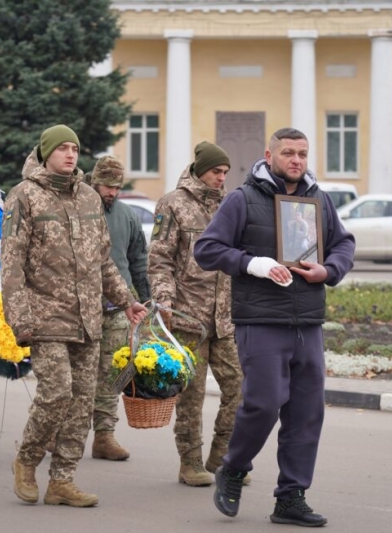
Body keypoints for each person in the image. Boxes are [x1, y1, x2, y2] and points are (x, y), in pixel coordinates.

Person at [194, 128, 355, 526]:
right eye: (288, 153)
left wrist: (330, 269)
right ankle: (233, 467)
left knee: (306, 412)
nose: (296, 160)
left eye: (302, 153)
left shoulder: (318, 200)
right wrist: (255, 264)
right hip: (261, 320)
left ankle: (291, 496)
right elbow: (207, 249)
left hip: (308, 322)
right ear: (270, 155)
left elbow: (344, 244)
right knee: (263, 403)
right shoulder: (242, 199)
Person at [1, 125, 148, 508]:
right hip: (45, 316)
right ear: (46, 152)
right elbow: (11, 264)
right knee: (56, 393)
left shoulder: (88, 197)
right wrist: (19, 318)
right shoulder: (24, 196)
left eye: (75, 149)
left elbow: (102, 260)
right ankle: (27, 459)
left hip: (89, 318)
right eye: (62, 148)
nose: (70, 154)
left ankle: (62, 481)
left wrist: (127, 299)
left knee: (82, 403)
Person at [148, 141, 244, 487]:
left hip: (226, 317)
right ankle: (189, 462)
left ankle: (222, 456)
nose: (221, 178)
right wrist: (165, 302)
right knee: (191, 394)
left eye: (225, 173)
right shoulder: (173, 204)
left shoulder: (231, 205)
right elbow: (159, 258)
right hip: (187, 318)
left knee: (241, 387)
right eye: (216, 171)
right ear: (200, 169)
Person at [87, 155, 150, 461]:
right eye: (106, 185)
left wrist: (148, 298)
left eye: (116, 187)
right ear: (94, 181)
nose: (111, 192)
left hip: (118, 308)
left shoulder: (127, 216)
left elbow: (139, 260)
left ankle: (105, 435)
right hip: (82, 308)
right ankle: (57, 432)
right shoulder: (80, 208)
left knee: (116, 373)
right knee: (76, 375)